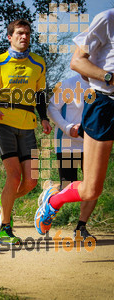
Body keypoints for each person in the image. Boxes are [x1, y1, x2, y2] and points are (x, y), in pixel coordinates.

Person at [34, 8, 114, 236]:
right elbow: (76, 62)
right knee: (89, 188)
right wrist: (109, 77)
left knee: (93, 189)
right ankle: (53, 201)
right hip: (100, 111)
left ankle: (81, 228)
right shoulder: (107, 19)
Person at [0, 19, 52, 245]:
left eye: (27, 34)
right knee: (14, 175)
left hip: (28, 123)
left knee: (30, 181)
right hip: (4, 121)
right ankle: (4, 229)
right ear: (9, 37)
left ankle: (4, 199)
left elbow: (40, 94)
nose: (24, 37)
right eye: (19, 33)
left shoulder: (38, 63)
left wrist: (44, 118)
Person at [47, 74, 97, 240]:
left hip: (92, 142)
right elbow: (52, 108)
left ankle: (81, 227)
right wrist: (68, 128)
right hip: (68, 142)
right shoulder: (69, 83)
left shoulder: (104, 86)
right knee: (68, 186)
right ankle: (49, 199)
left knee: (93, 186)